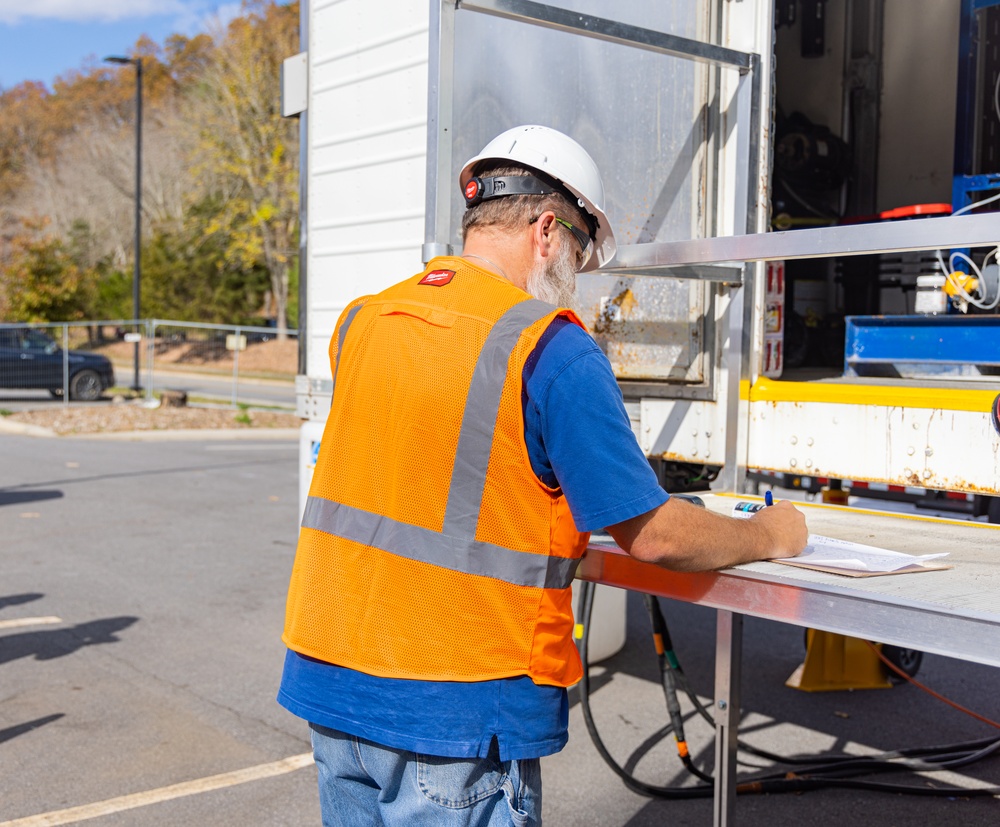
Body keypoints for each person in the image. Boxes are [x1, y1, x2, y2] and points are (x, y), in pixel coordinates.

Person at [278, 124, 808, 826]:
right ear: (548, 230)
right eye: (581, 257)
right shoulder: (548, 345)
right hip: (455, 710)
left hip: (331, 688)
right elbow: (653, 535)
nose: (578, 279)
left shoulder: (363, 322)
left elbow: (428, 482)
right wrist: (772, 530)